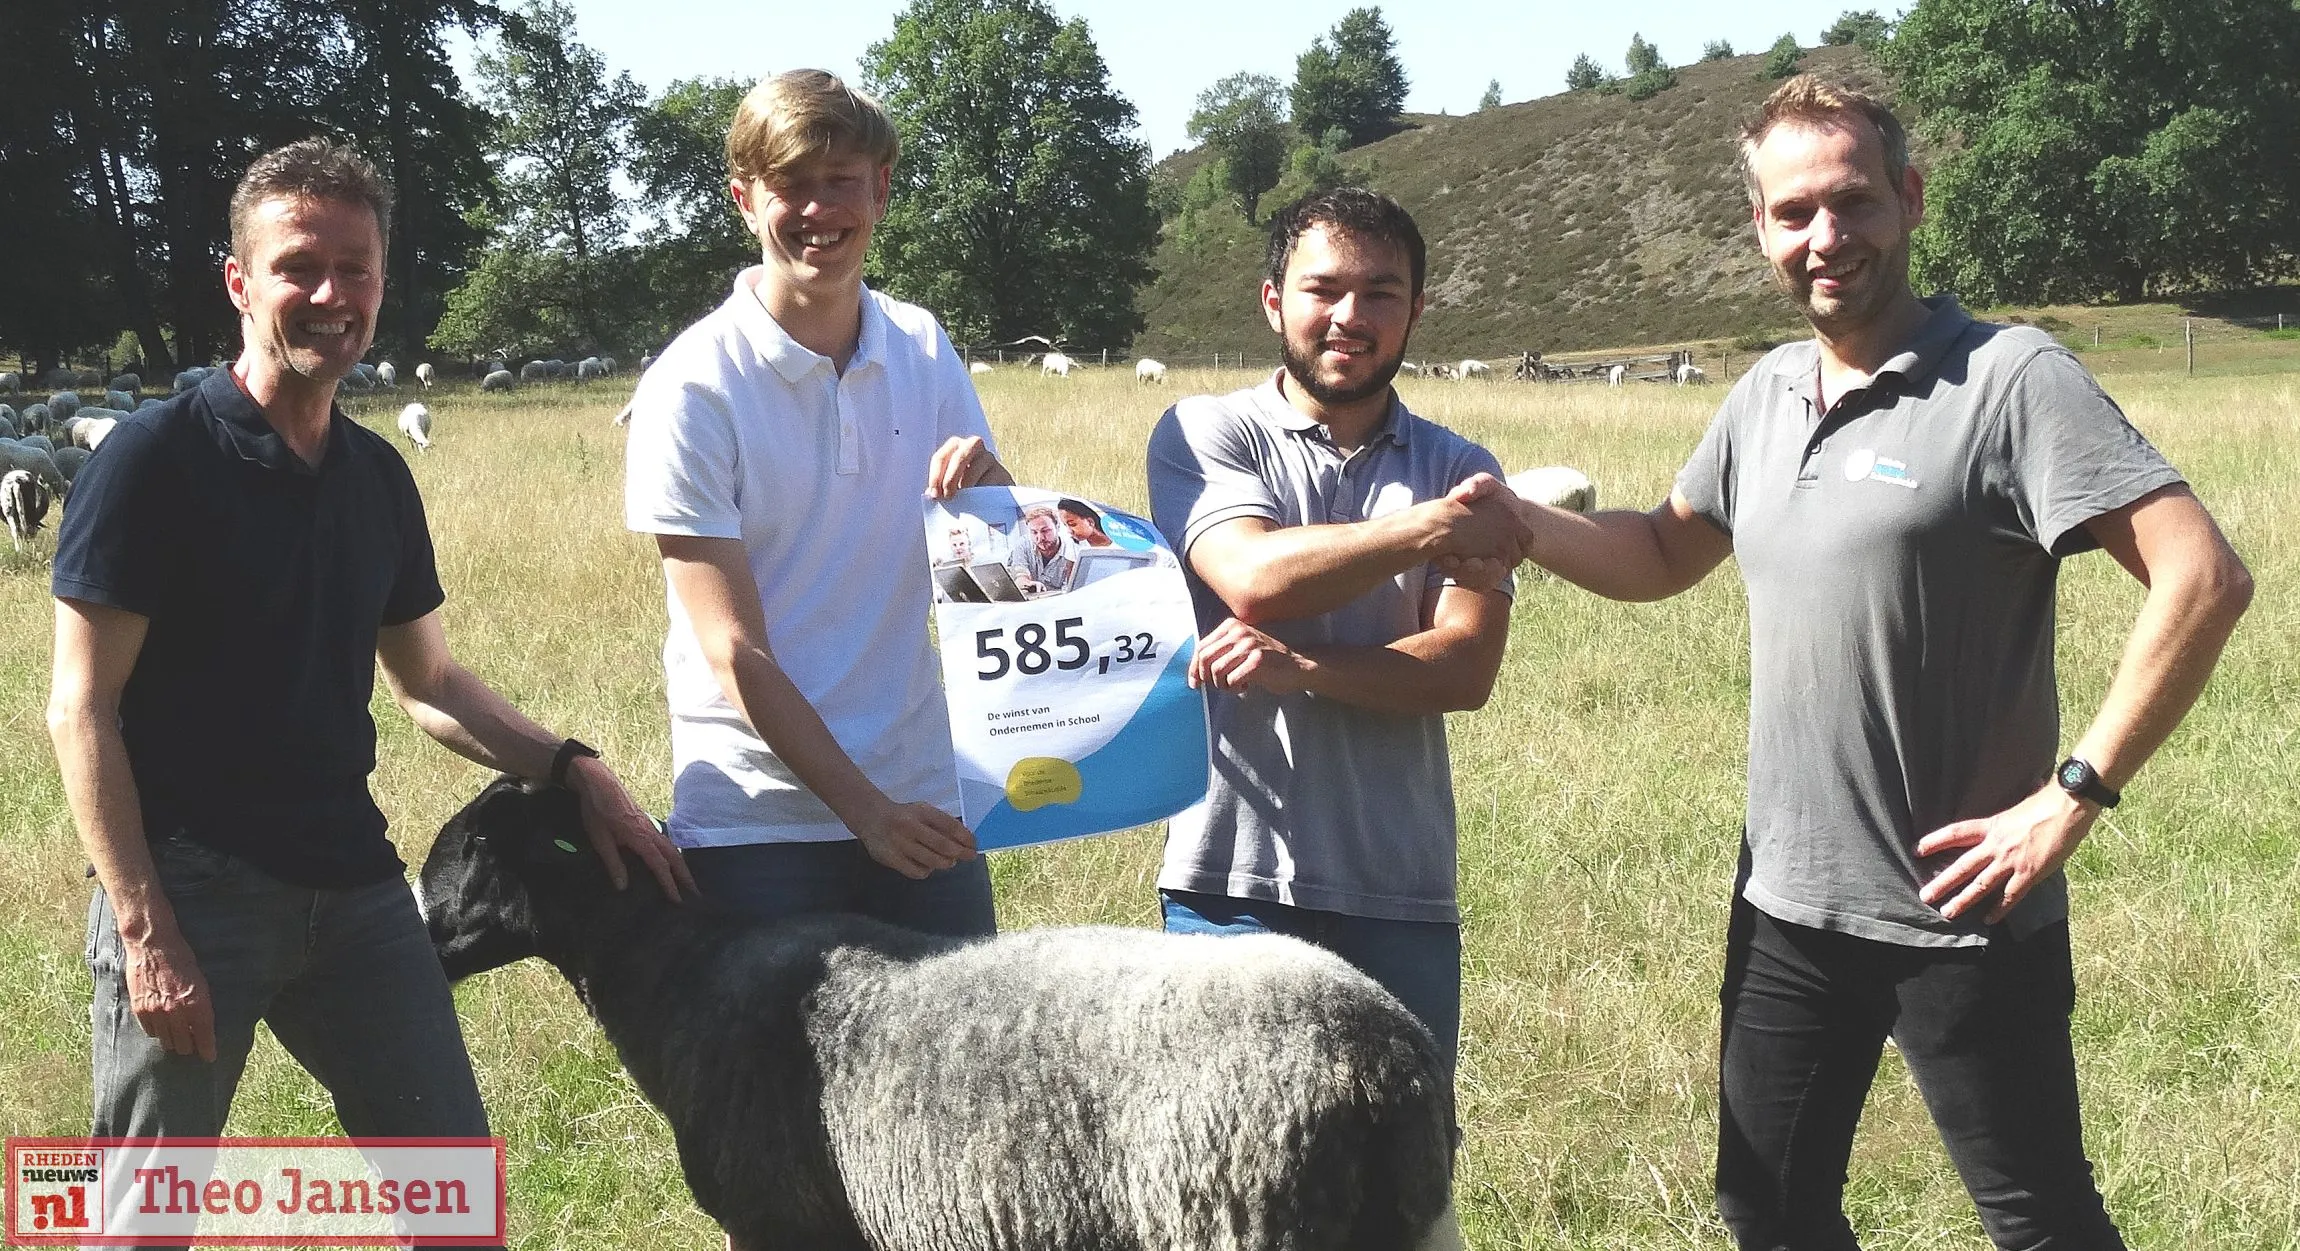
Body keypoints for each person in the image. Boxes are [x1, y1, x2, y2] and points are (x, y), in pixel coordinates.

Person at [1477, 77, 2253, 1249]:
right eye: (1792, 213)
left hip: (1961, 914)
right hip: (1785, 905)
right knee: (1768, 1206)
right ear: (1759, 229)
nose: (1822, 237)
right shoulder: (1762, 395)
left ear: (1908, 199)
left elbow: (2201, 576)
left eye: (1850, 202)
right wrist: (1518, 524)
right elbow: (1656, 553)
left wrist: (2069, 797)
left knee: (2035, 1219)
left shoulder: (2010, 380)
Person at [46, 139, 691, 1230]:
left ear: (383, 285)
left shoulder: (376, 475)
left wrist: (575, 769)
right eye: (300, 266)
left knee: (452, 1193)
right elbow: (82, 708)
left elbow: (428, 680)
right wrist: (147, 929)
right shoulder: (153, 461)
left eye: (357, 269)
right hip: (193, 894)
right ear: (240, 282)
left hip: (353, 892)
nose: (331, 296)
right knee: (138, 1210)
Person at [1145, 187, 1527, 1085]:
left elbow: (1465, 667)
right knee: (1217, 1188)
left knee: (1398, 1191)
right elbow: (1254, 578)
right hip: (1226, 886)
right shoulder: (1205, 432)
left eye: (1382, 293)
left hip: (1399, 891)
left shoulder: (1462, 467)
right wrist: (1427, 530)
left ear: (1417, 310)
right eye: (1323, 289)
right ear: (1274, 298)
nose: (1350, 317)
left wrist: (1301, 667)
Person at [623, 70, 1013, 936]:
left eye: (841, 181)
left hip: (922, 806)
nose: (817, 210)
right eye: (791, 185)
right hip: (759, 827)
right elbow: (731, 649)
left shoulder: (922, 344)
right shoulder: (693, 386)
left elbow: (991, 581)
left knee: (965, 1071)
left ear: (879, 189)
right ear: (744, 200)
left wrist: (995, 492)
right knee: (780, 1078)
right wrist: (864, 813)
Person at [1006, 504, 1074, 592]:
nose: (1040, 537)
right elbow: (1020, 576)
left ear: (1057, 527)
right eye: (1034, 532)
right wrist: (1027, 583)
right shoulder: (1023, 544)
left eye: (1045, 531)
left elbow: (1072, 589)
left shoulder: (1071, 551)